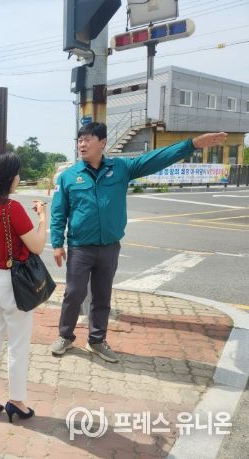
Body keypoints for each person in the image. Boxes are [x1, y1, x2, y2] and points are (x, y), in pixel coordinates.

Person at [50, 123, 228, 363]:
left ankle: (97, 340)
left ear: (102, 142)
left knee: (102, 296)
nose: (82, 144)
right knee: (74, 293)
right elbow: (58, 213)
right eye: (80, 140)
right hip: (80, 247)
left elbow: (155, 159)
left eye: (88, 139)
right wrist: (57, 243)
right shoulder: (69, 176)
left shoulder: (121, 168)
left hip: (110, 247)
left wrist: (192, 144)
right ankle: (65, 336)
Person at [0, 152, 48, 423]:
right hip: (13, 283)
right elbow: (37, 246)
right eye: (16, 173)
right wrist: (43, 219)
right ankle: (16, 401)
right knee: (18, 344)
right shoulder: (11, 208)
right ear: (6, 178)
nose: (18, 177)